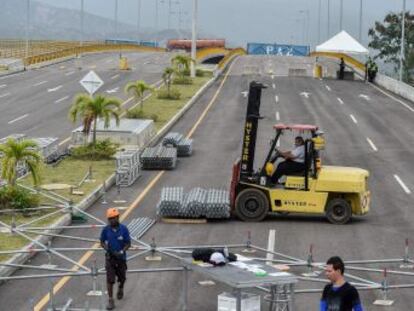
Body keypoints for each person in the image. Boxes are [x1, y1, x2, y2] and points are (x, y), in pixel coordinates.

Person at [100, 208, 131, 310]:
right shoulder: (105, 230)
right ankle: (110, 300)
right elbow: (102, 242)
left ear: (118, 217)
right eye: (110, 219)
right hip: (110, 259)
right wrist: (108, 249)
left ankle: (121, 287)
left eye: (114, 218)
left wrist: (122, 251)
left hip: (121, 258)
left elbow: (128, 243)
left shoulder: (124, 229)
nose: (112, 220)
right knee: (110, 280)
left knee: (122, 278)